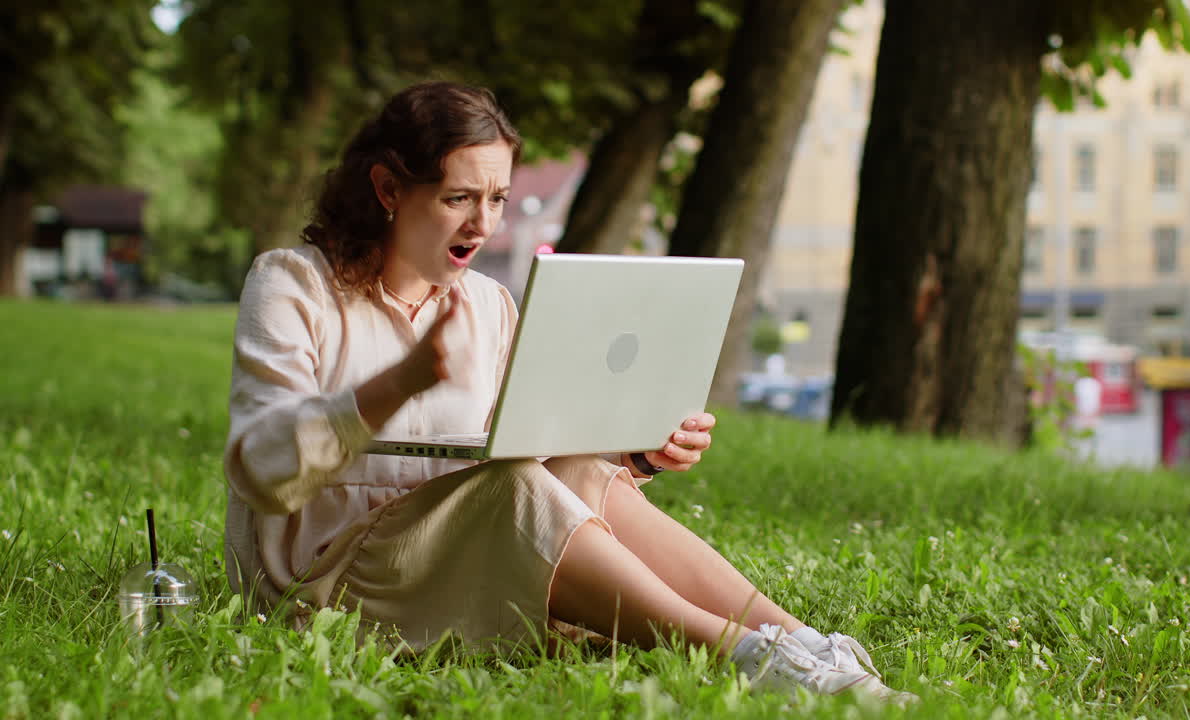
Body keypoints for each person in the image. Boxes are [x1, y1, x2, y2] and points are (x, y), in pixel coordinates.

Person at [222, 81, 915, 705]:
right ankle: (742, 654)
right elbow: (262, 471)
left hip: (449, 555)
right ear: (387, 189)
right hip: (322, 583)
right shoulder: (293, 284)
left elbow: (528, 453)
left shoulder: (488, 305)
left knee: (577, 467)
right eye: (457, 198)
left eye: (496, 199)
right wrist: (400, 381)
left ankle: (805, 643)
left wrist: (636, 453)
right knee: (516, 486)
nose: (483, 224)